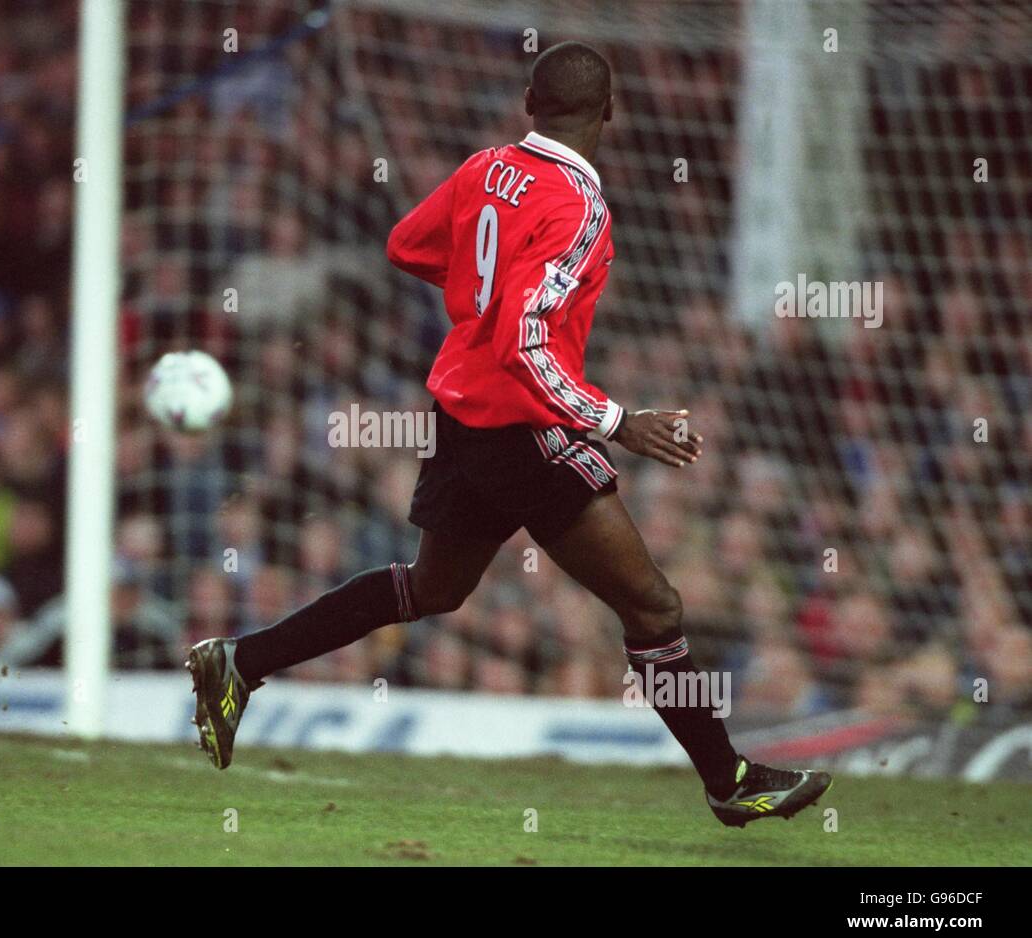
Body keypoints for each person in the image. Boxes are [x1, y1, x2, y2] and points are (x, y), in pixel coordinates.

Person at [185, 41, 830, 827]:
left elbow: (405, 246)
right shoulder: (579, 207)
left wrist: (477, 302)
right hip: (523, 426)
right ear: (611, 111)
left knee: (435, 589)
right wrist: (617, 421)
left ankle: (240, 663)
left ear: (529, 101)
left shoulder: (484, 166)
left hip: (461, 414)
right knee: (655, 609)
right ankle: (728, 781)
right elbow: (525, 339)